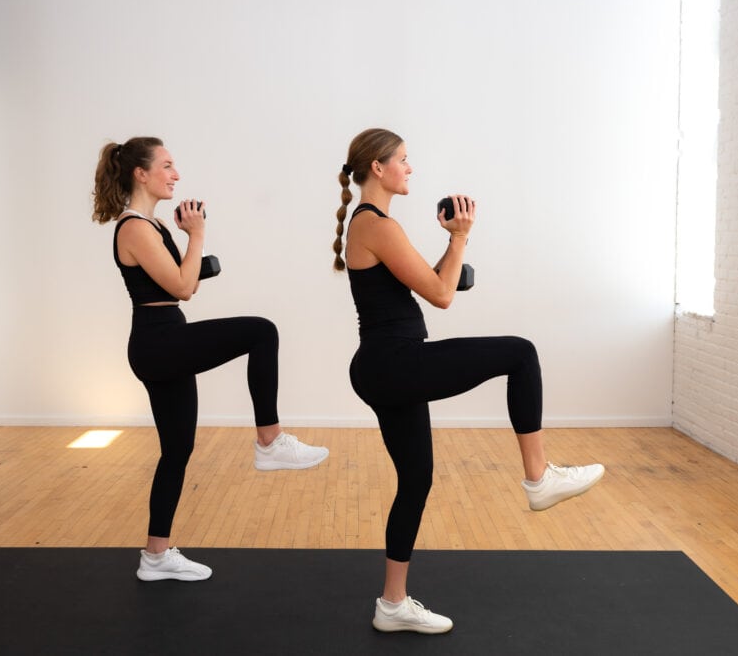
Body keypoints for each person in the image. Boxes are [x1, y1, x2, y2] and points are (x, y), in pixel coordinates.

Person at [333, 128, 604, 634]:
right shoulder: (375, 225)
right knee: (520, 354)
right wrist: (460, 237)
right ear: (378, 167)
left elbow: (426, 281)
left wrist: (449, 250)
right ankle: (539, 478)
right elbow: (440, 294)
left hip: (385, 366)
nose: (410, 169)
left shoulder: (372, 224)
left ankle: (392, 604)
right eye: (404, 161)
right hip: (396, 364)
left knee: (416, 481)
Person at [93, 136, 329, 582]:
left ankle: (155, 556)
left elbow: (185, 284)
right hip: (157, 342)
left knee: (177, 450)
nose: (175, 174)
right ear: (140, 173)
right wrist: (198, 236)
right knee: (262, 331)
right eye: (166, 166)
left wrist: (189, 246)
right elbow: (183, 287)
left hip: (168, 337)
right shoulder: (134, 228)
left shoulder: (154, 226)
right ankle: (270, 442)